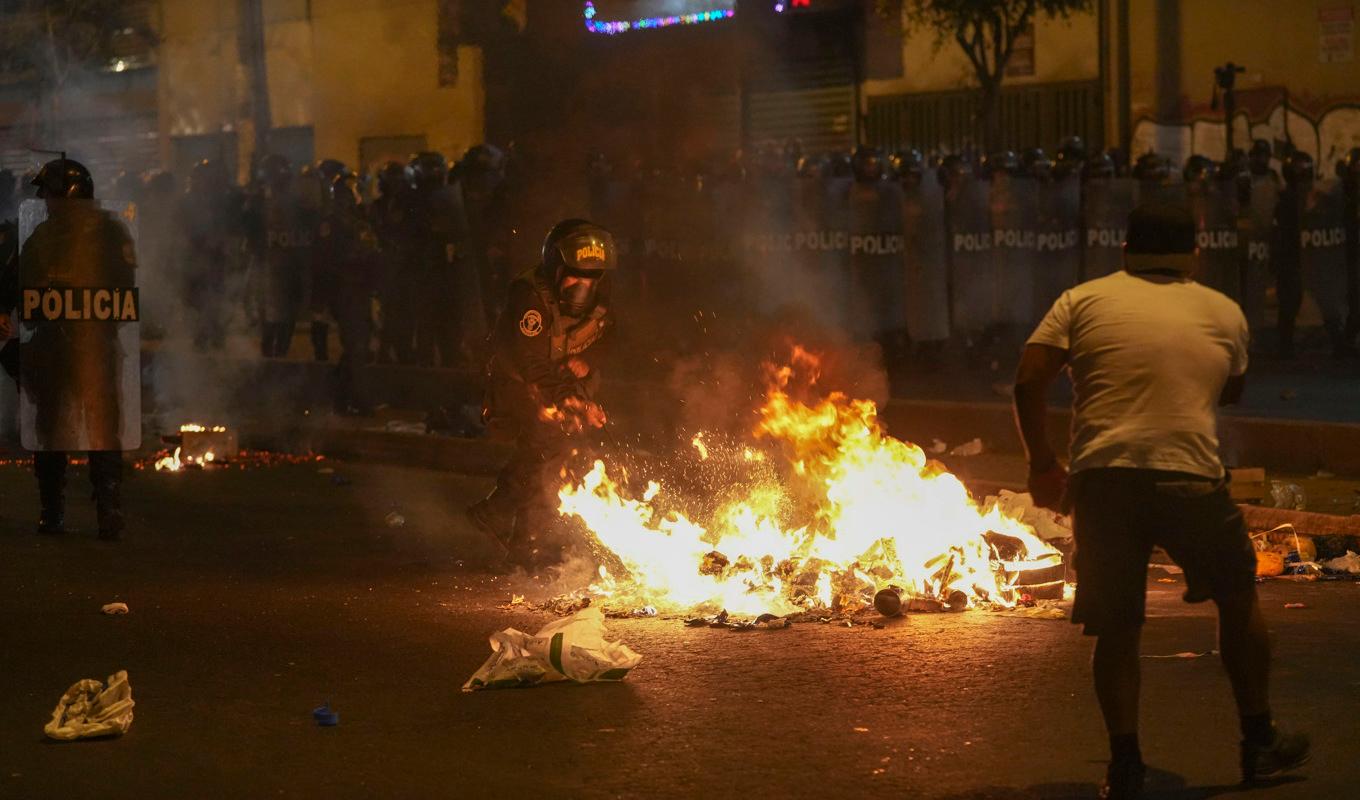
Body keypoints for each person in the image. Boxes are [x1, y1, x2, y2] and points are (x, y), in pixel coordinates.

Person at [1012, 202, 1309, 799]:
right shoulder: (1222, 310)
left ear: (1125, 249)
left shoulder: (1082, 299)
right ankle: (1258, 740)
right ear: (1194, 253)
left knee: (1116, 629)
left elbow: (1028, 378)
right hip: (1190, 480)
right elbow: (1232, 386)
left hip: (1103, 484)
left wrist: (1043, 464)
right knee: (1236, 597)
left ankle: (1124, 764)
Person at [467, 219, 615, 569]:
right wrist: (572, 400)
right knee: (551, 444)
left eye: (591, 277)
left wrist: (588, 359)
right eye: (575, 275)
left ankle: (521, 541)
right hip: (516, 386)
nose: (583, 285)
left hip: (556, 384)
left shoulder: (600, 296)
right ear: (556, 267)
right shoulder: (529, 296)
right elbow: (531, 363)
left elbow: (613, 337)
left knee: (557, 453)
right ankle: (500, 514)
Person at [6, 158, 136, 539]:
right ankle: (52, 508)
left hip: (96, 345)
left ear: (69, 193)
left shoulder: (110, 233)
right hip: (51, 347)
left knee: (103, 429)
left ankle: (109, 507)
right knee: (49, 431)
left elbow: (124, 290)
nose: (44, 200)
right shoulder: (41, 236)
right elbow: (15, 279)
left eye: (49, 192)